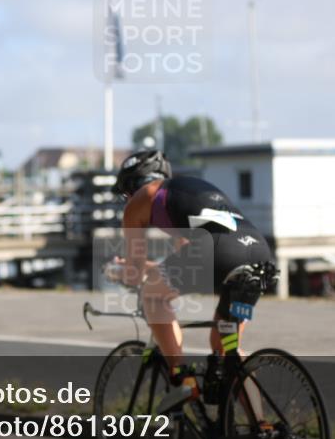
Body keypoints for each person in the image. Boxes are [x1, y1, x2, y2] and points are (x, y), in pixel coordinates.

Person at [108, 149, 277, 413]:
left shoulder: (141, 199)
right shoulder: (188, 192)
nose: (127, 200)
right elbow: (183, 260)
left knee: (152, 295)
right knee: (225, 347)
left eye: (125, 194)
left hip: (217, 252)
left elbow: (136, 271)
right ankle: (261, 428)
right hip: (258, 253)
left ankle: (181, 377)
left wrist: (119, 272)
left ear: (132, 186)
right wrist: (152, 270)